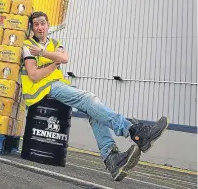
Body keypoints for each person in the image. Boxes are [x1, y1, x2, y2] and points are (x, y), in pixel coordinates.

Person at [21, 11, 168, 181]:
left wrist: (44, 54)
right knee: (88, 98)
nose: (40, 27)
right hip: (43, 89)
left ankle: (112, 159)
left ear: (48, 25)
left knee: (94, 111)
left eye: (42, 23)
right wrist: (54, 64)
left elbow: (65, 58)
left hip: (59, 85)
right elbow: (34, 75)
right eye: (36, 24)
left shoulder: (54, 42)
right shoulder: (27, 45)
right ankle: (134, 131)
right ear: (32, 27)